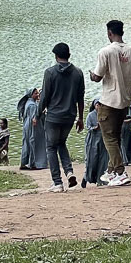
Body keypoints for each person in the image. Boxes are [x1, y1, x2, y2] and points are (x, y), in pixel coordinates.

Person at [90, 20, 131, 187]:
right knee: (116, 136)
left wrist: (92, 75)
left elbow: (98, 77)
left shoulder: (106, 52)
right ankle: (111, 171)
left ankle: (120, 172)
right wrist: (127, 91)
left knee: (109, 138)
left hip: (108, 101)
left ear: (109, 33)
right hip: (124, 102)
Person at [39, 41, 85, 191]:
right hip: (69, 116)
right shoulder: (78, 73)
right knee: (61, 143)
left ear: (56, 56)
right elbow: (80, 98)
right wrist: (80, 118)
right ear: (69, 55)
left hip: (53, 116)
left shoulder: (50, 73)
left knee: (51, 147)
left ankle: (57, 182)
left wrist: (37, 113)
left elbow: (44, 96)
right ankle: (69, 171)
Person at [81, 103, 108, 187]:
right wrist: (95, 128)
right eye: (97, 105)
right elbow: (88, 127)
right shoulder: (90, 115)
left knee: (103, 160)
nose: (99, 107)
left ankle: (100, 179)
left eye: (101, 105)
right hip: (93, 139)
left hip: (103, 139)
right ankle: (86, 178)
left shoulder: (105, 114)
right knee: (92, 160)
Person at [16, 88, 43, 170]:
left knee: (26, 143)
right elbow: (34, 118)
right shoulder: (32, 105)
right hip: (31, 126)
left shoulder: (28, 103)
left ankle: (24, 163)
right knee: (32, 143)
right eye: (35, 93)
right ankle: (32, 163)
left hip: (26, 125)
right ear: (31, 95)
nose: (37, 95)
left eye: (38, 93)